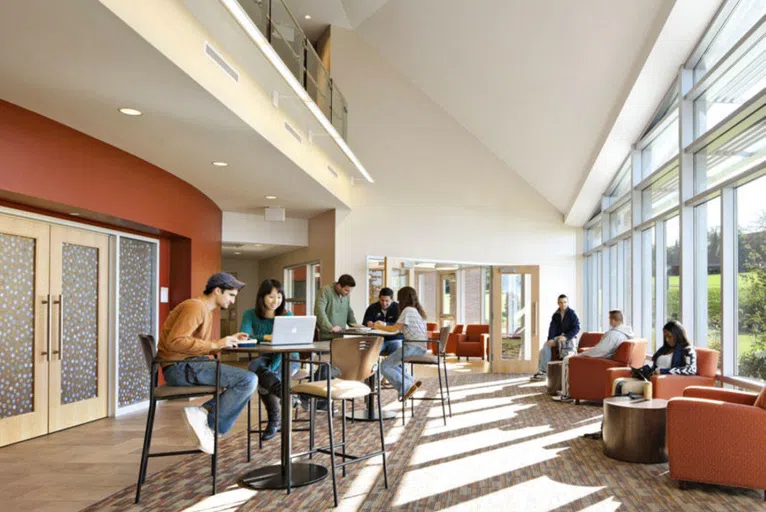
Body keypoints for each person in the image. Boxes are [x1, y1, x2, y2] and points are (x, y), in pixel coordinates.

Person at [158, 272, 256, 455]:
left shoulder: (204, 309)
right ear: (218, 290)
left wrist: (224, 341)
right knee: (248, 380)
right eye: (231, 295)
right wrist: (215, 344)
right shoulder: (195, 307)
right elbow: (176, 342)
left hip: (186, 364)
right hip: (180, 368)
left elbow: (193, 345)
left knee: (247, 380)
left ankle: (207, 426)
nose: (233, 301)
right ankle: (206, 419)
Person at [241, 279, 295, 441]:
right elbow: (244, 336)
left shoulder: (287, 315)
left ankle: (274, 421)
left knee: (263, 381)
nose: (275, 301)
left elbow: (288, 345)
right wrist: (265, 337)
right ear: (262, 296)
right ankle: (289, 397)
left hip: (288, 357)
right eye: (271, 297)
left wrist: (272, 367)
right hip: (265, 358)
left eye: (279, 297)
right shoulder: (250, 314)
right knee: (255, 365)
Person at [553, 310, 633, 402]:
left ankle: (566, 394)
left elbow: (600, 351)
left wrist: (581, 354)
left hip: (602, 361)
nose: (609, 321)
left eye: (609, 319)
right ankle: (567, 390)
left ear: (613, 320)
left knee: (567, 359)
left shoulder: (613, 334)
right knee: (572, 357)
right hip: (607, 359)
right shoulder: (626, 333)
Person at [613, 320, 698, 396]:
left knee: (624, 387)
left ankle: (626, 413)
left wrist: (663, 371)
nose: (667, 340)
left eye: (669, 336)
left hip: (662, 382)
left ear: (677, 335)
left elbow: (691, 369)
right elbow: (655, 367)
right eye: (665, 337)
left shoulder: (687, 349)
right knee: (617, 381)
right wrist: (641, 372)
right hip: (650, 379)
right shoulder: (664, 349)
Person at [376, 287, 427, 401]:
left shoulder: (407, 310)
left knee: (384, 366)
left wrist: (377, 326)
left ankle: (406, 387)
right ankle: (409, 383)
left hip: (412, 347)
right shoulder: (417, 311)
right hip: (421, 347)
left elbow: (394, 329)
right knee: (392, 364)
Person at [532, 294, 580, 380]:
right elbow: (552, 327)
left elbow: (577, 328)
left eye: (565, 302)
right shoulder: (556, 315)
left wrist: (566, 336)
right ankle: (543, 372)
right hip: (558, 338)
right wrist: (550, 339)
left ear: (567, 303)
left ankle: (564, 372)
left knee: (562, 344)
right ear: (558, 303)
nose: (563, 304)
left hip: (569, 338)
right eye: (561, 302)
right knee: (546, 346)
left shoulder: (572, 314)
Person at [315, 274, 358, 340]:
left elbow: (348, 310)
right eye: (346, 290)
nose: (348, 293)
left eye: (350, 291)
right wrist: (330, 328)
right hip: (325, 336)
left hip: (339, 336)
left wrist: (356, 326)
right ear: (339, 286)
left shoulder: (346, 295)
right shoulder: (325, 291)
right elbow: (319, 311)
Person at [363, 287, 403, 355]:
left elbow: (399, 325)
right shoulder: (372, 308)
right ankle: (374, 365)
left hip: (395, 339)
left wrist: (385, 324)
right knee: (368, 351)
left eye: (387, 301)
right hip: (377, 339)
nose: (384, 303)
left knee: (397, 351)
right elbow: (365, 322)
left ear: (392, 300)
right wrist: (368, 323)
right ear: (379, 298)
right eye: (382, 300)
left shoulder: (398, 308)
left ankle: (395, 366)